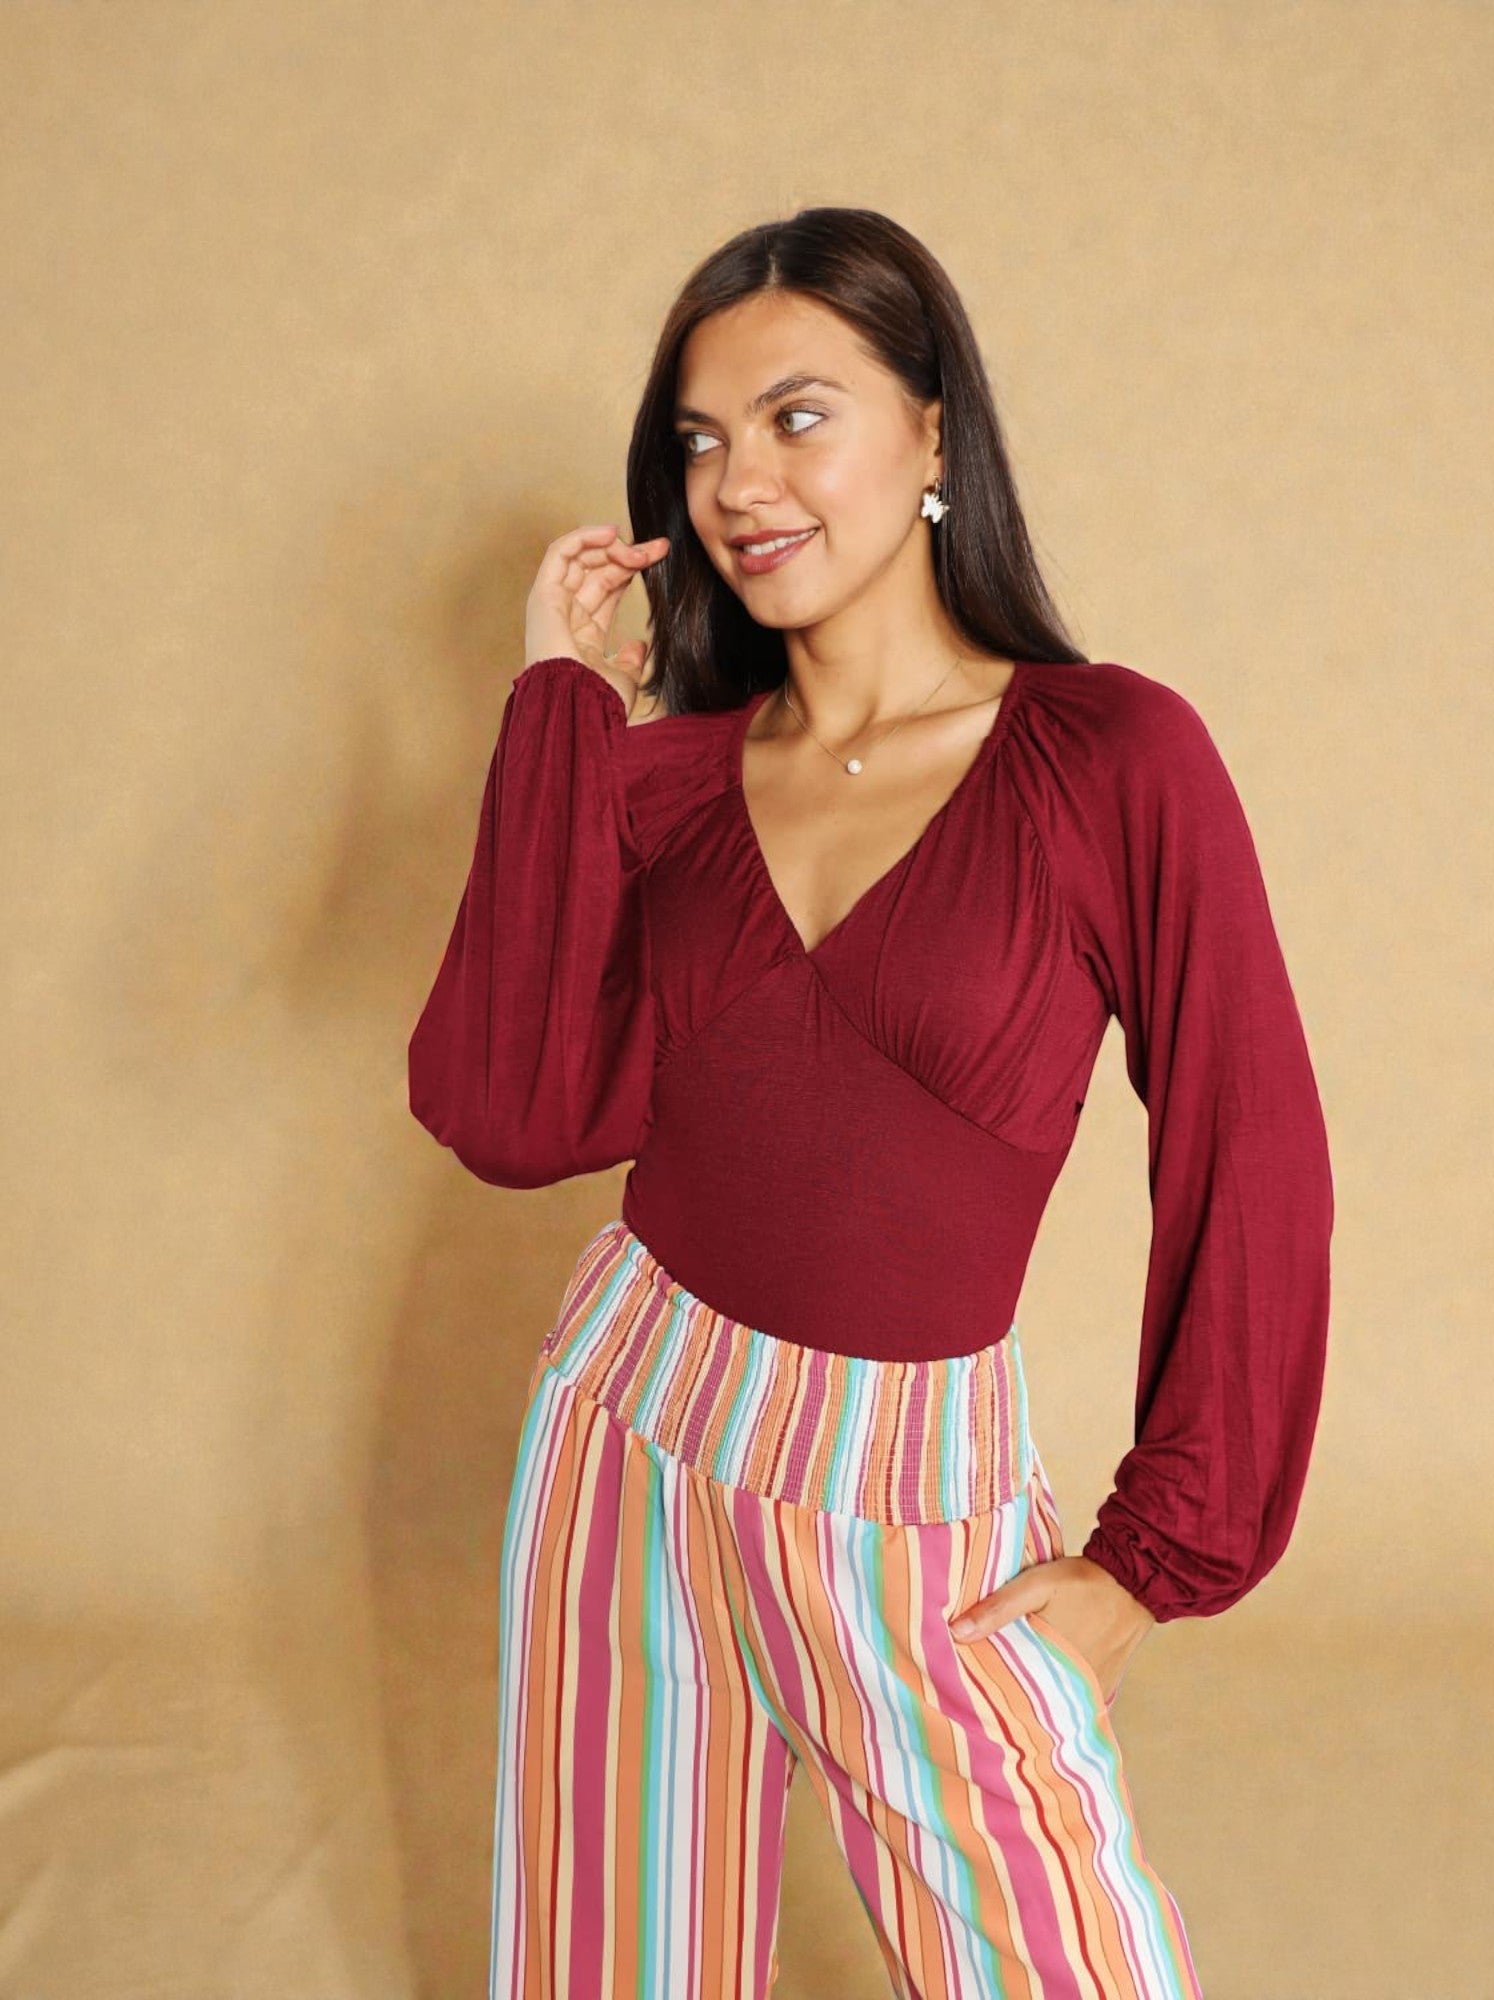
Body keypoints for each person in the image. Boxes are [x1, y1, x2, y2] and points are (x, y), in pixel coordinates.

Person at [407, 207, 1334, 2000]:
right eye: (700, 440)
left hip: (907, 1490)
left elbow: (1255, 1155)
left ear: (931, 431)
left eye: (798, 417)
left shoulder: (1110, 759)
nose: (740, 483)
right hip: (625, 1430)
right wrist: (559, 708)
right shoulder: (667, 785)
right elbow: (510, 1111)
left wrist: (1153, 1560)